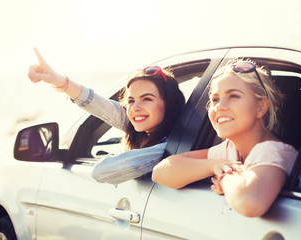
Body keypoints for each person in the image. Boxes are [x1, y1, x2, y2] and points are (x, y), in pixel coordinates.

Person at [152, 59, 298, 217]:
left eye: (233, 96)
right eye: (215, 99)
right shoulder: (229, 149)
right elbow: (160, 172)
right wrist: (215, 165)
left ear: (261, 107)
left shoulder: (273, 151)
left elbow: (250, 202)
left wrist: (223, 177)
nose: (219, 106)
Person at [28, 48, 185, 184]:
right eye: (131, 100)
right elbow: (98, 104)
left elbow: (102, 171)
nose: (135, 108)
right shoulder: (142, 126)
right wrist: (58, 80)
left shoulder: (167, 150)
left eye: (147, 99)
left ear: (169, 104)